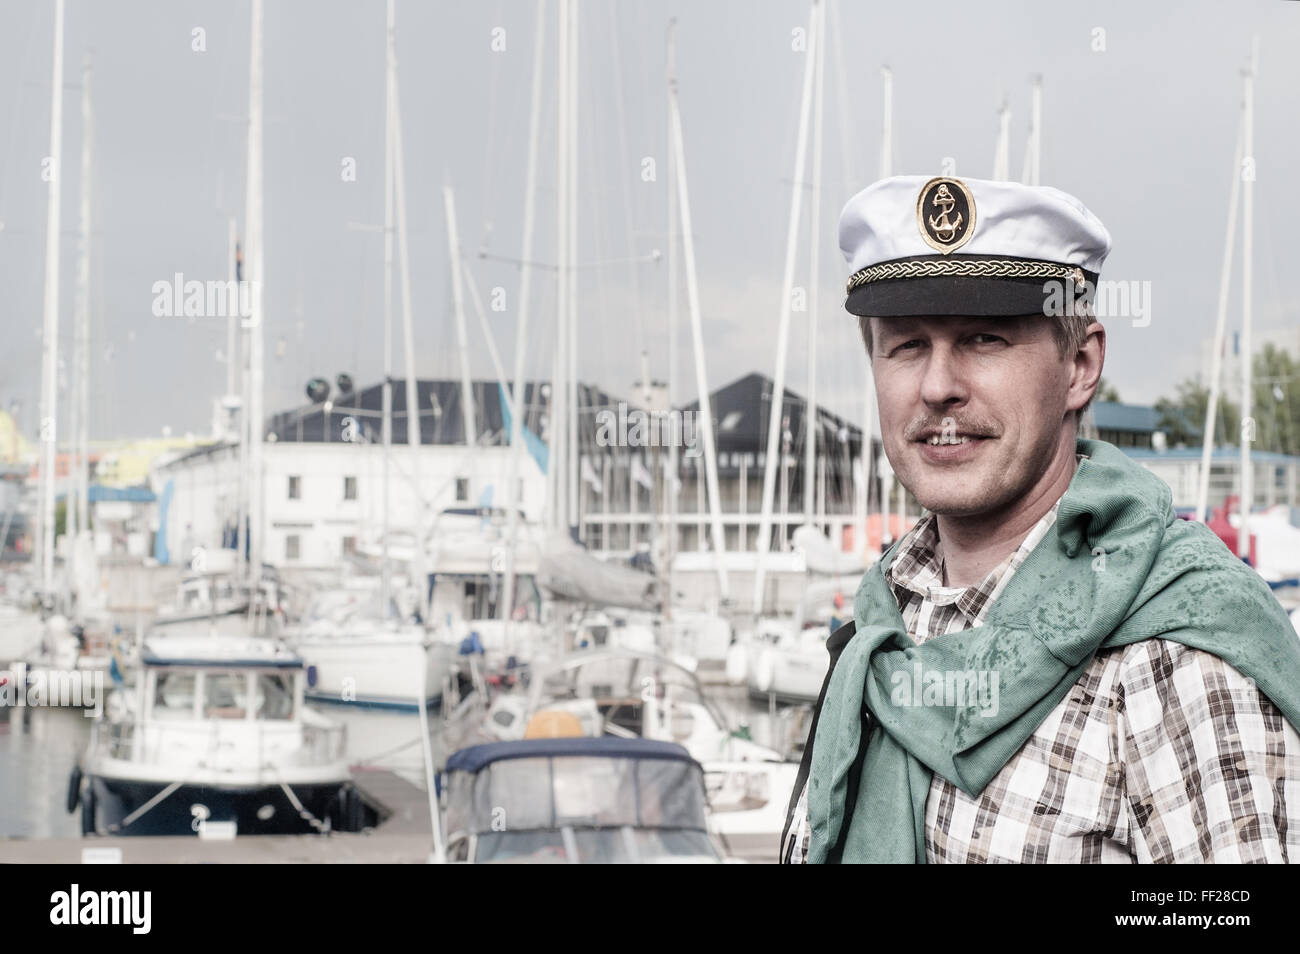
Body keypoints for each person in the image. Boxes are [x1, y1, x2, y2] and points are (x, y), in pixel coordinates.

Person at [780, 175, 1300, 864]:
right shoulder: (882, 625)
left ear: (1080, 366)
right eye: (906, 345)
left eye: (985, 339)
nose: (938, 386)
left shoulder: (1176, 662)